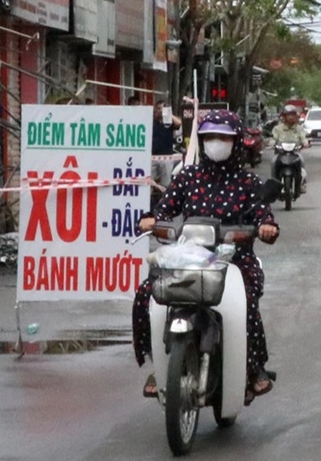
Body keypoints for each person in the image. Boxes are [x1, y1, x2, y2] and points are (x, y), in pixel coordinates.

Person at [131, 110, 280, 400]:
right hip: (190, 259)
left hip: (234, 262)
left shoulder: (248, 183)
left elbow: (264, 214)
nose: (217, 143)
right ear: (201, 140)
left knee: (246, 302)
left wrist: (266, 227)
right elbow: (165, 208)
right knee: (146, 293)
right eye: (210, 137)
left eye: (224, 137)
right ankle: (159, 364)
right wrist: (151, 218)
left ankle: (252, 368)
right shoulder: (188, 177)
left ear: (236, 142)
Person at [270, 105, 311, 189]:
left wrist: (305, 143)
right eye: (288, 115)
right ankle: (274, 182)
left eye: (293, 115)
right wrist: (271, 143)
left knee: (302, 161)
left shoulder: (299, 128)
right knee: (273, 162)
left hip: (295, 153)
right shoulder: (278, 129)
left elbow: (303, 138)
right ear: (284, 116)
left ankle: (302, 183)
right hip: (280, 153)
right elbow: (273, 138)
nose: (291, 117)